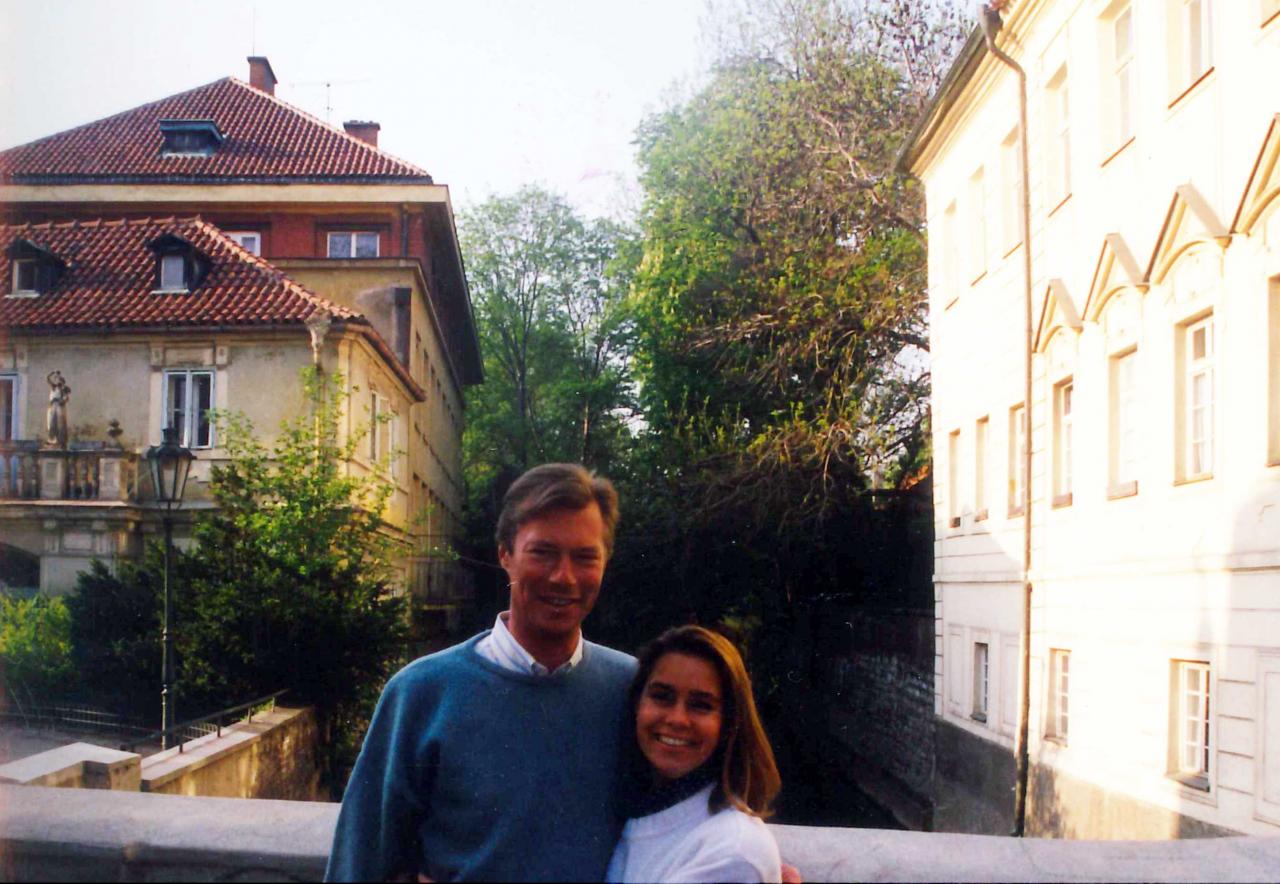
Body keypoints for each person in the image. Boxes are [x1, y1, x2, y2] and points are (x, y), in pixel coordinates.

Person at [325, 463, 637, 882]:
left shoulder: (634, 692)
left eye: (584, 557)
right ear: (504, 554)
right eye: (542, 552)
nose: (564, 577)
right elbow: (360, 861)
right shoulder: (421, 693)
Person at [608, 625, 783, 883]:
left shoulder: (732, 851)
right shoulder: (637, 811)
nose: (677, 719)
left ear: (729, 724)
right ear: (637, 705)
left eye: (701, 705)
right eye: (662, 697)